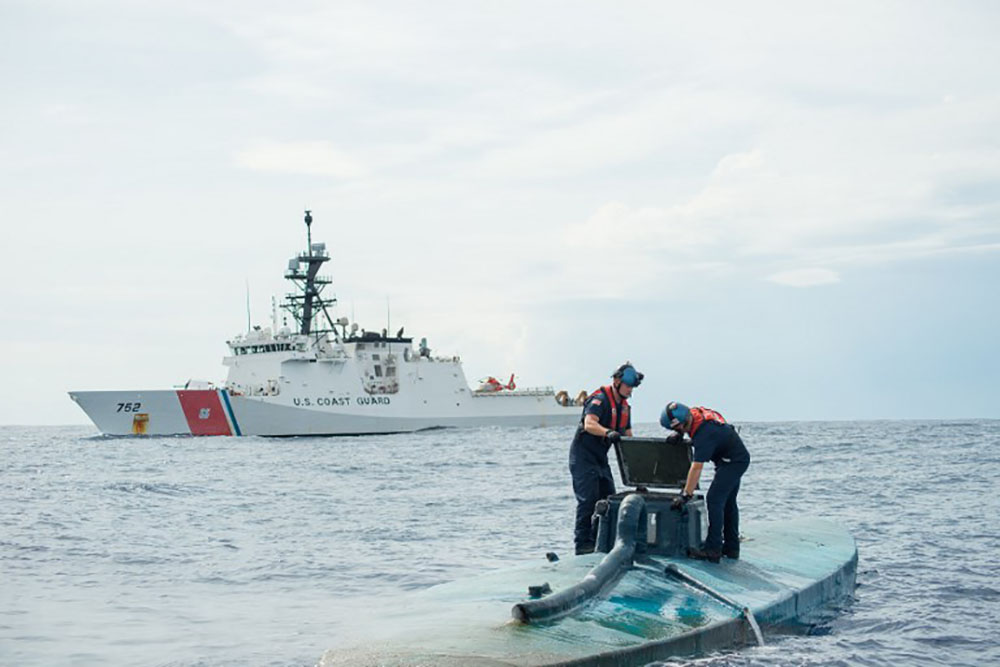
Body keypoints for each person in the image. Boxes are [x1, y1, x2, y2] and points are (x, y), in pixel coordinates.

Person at [568, 362, 643, 555]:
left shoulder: (625, 409)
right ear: (617, 381)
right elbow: (589, 424)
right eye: (627, 385)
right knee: (588, 500)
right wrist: (608, 432)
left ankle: (602, 542)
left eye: (632, 387)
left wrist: (639, 475)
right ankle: (583, 545)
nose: (629, 390)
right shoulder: (600, 400)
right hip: (583, 457)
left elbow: (628, 438)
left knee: (608, 499)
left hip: (601, 459)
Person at [661, 401, 750, 563]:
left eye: (678, 428)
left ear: (684, 422)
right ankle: (731, 548)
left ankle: (713, 549)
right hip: (734, 458)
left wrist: (685, 495)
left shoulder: (704, 433)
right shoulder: (693, 416)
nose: (679, 431)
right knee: (728, 502)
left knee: (714, 499)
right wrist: (679, 436)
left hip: (733, 462)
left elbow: (696, 468)